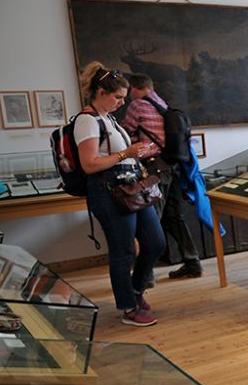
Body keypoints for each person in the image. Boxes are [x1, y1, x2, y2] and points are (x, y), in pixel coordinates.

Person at [75, 63, 165, 326]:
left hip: (130, 187)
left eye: (123, 98)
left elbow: (117, 156)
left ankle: (136, 291)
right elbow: (90, 164)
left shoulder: (109, 119)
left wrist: (135, 153)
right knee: (123, 251)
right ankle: (128, 307)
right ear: (100, 92)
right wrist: (126, 153)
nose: (121, 103)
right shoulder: (86, 121)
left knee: (155, 242)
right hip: (109, 192)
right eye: (117, 97)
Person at [122, 73, 203, 280]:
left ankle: (146, 274)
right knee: (174, 215)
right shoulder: (161, 103)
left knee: (151, 218)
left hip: (154, 167)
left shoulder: (137, 105)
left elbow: (126, 134)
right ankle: (192, 262)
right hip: (172, 165)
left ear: (134, 88)